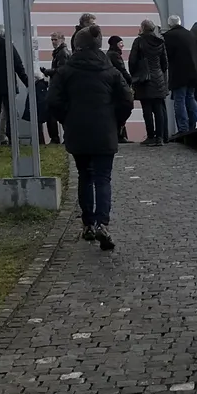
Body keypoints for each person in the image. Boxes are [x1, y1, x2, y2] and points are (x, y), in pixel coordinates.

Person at [47, 22, 133, 251]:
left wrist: (67, 119)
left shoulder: (66, 71)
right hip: (105, 131)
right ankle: (103, 223)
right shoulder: (110, 71)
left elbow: (53, 100)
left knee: (85, 176)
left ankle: (88, 224)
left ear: (77, 45)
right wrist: (116, 121)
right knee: (103, 178)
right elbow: (127, 100)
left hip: (78, 131)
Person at [163, 14, 197, 133]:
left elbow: (166, 56)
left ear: (169, 24)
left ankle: (183, 127)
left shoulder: (168, 36)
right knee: (190, 98)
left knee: (179, 100)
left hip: (179, 74)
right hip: (193, 73)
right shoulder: (191, 35)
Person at [128, 19, 169, 145]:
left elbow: (132, 61)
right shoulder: (160, 42)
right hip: (158, 78)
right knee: (158, 108)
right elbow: (164, 63)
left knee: (147, 109)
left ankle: (150, 136)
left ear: (143, 28)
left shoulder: (139, 41)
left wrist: (135, 74)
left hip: (144, 79)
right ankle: (160, 137)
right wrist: (160, 73)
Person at [107, 35, 132, 142]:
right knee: (124, 109)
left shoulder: (109, 55)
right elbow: (122, 70)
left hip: (113, 87)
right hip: (119, 87)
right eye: (120, 43)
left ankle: (120, 135)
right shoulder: (115, 55)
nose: (122, 45)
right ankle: (120, 135)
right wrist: (130, 80)